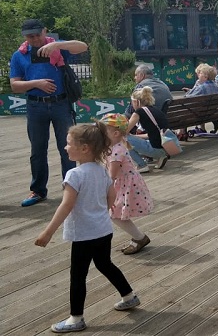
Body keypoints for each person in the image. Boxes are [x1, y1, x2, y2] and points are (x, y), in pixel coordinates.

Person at [34, 122, 140, 333]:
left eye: (68, 143)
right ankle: (129, 296)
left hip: (84, 234)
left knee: (78, 276)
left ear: (84, 148)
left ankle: (76, 318)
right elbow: (112, 196)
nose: (65, 147)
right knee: (105, 264)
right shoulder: (102, 171)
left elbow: (66, 205)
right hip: (103, 230)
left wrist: (48, 232)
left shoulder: (75, 175)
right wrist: (99, 210)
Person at [10, 18, 89, 207]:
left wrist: (57, 46)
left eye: (38, 34)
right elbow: (15, 85)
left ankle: (71, 188)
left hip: (61, 103)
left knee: (68, 147)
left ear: (45, 31)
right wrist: (37, 84)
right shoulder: (19, 55)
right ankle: (38, 190)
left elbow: (83, 46)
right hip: (35, 106)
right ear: (25, 37)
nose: (35, 39)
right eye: (30, 36)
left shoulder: (57, 48)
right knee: (37, 150)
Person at [99, 113, 154, 255]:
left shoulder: (116, 151)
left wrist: (104, 192)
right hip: (124, 183)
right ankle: (139, 237)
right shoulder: (115, 146)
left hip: (126, 185)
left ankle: (140, 238)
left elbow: (112, 175)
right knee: (116, 214)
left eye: (103, 131)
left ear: (115, 133)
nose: (100, 135)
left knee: (115, 215)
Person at [127, 86, 170, 171]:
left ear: (136, 102)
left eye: (132, 102)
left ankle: (142, 165)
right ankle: (161, 156)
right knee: (129, 138)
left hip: (155, 149)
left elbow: (124, 131)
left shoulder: (139, 112)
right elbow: (152, 134)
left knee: (123, 139)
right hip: (165, 148)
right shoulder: (155, 110)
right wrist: (134, 137)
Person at [180, 63, 218, 135]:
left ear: (206, 76)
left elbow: (187, 99)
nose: (198, 75)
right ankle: (202, 128)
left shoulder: (201, 87)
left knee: (183, 109)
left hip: (200, 113)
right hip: (212, 111)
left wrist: (188, 93)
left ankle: (182, 132)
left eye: (200, 73)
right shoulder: (216, 86)